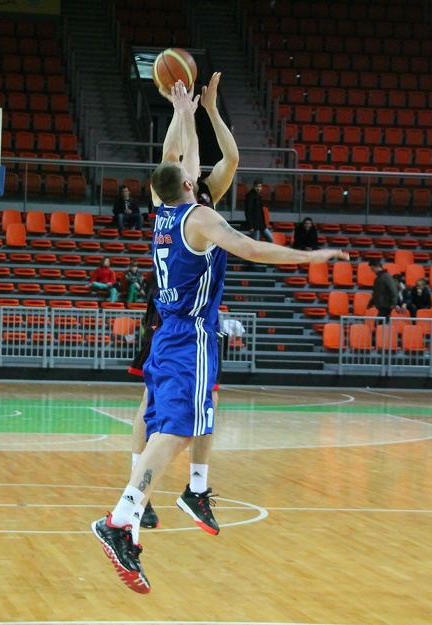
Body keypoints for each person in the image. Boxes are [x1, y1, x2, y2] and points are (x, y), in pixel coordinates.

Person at [92, 79, 350, 594]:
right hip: (190, 335)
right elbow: (251, 249)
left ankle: (134, 514)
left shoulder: (163, 210)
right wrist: (309, 257)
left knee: (170, 425)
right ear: (190, 183)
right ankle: (122, 518)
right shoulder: (201, 218)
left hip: (168, 332)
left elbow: (174, 156)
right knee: (177, 431)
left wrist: (185, 112)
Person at [126, 70, 240, 532]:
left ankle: (195, 487)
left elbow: (230, 157)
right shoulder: (169, 189)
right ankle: (139, 489)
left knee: (207, 396)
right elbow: (170, 154)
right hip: (170, 310)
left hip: (198, 313)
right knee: (151, 397)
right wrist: (180, 112)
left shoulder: (207, 195)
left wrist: (208, 111)